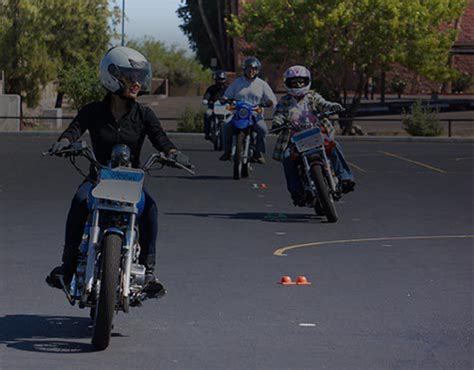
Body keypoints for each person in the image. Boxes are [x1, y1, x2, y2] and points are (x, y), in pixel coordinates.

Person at [46, 46, 190, 297]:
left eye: (139, 77)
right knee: (80, 201)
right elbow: (74, 130)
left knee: (151, 209)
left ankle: (149, 271)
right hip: (98, 177)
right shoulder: (92, 111)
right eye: (130, 77)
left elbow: (161, 139)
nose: (137, 84)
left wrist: (174, 153)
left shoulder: (144, 114)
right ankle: (67, 268)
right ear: (112, 76)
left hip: (130, 182)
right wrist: (65, 142)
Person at [271, 65, 355, 206]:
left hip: (317, 134)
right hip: (295, 139)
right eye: (294, 82)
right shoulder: (284, 101)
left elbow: (324, 104)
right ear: (288, 84)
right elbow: (278, 114)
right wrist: (277, 123)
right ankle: (296, 192)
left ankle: (346, 178)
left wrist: (333, 106)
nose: (298, 85)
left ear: (307, 81)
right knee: (287, 158)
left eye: (301, 82)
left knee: (334, 146)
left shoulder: (313, 96)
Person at [220, 57, 277, 164]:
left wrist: (268, 102)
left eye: (254, 69)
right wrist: (224, 99)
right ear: (244, 69)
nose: (251, 71)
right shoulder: (237, 82)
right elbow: (227, 95)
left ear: (257, 70)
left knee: (263, 130)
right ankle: (227, 152)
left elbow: (272, 100)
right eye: (248, 68)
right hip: (238, 113)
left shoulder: (262, 84)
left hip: (255, 114)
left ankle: (258, 153)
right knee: (226, 126)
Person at [202, 70, 228, 140]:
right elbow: (207, 95)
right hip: (212, 107)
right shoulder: (211, 88)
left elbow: (232, 96)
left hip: (225, 109)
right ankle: (207, 133)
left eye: (222, 79)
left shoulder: (228, 89)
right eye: (218, 79)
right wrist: (205, 100)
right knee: (207, 115)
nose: (220, 81)